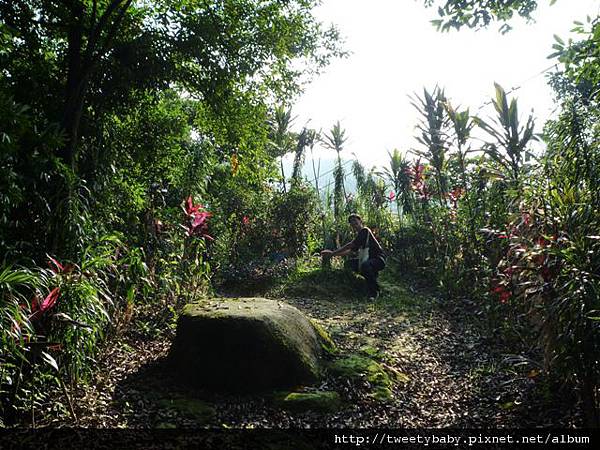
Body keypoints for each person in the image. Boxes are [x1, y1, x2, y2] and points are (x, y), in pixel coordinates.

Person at [320, 214, 386, 300]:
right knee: (349, 264)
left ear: (360, 221)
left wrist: (333, 253)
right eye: (351, 222)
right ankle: (362, 284)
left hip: (379, 259)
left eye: (355, 220)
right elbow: (350, 251)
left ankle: (375, 292)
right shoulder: (360, 236)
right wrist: (332, 255)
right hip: (368, 260)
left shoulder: (365, 231)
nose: (353, 223)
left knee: (365, 266)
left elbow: (351, 245)